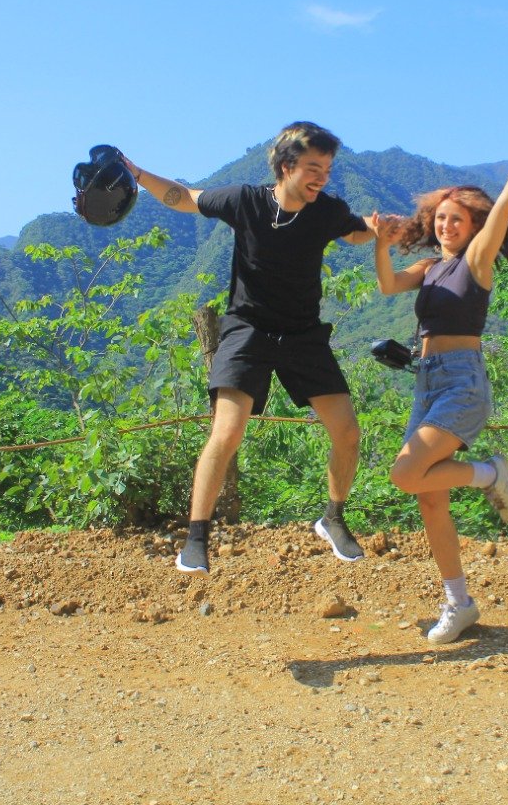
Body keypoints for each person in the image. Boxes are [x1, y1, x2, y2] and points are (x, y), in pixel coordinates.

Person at [120, 122, 380, 575]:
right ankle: (196, 538)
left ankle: (332, 517)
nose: (323, 177)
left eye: (328, 169)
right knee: (228, 431)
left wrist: (375, 230)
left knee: (348, 432)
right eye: (314, 168)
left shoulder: (326, 211)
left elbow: (354, 232)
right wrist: (139, 174)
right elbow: (185, 197)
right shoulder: (246, 200)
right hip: (248, 330)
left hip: (303, 334)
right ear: (286, 166)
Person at [370, 111, 508, 644]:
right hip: (426, 380)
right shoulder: (430, 268)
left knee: (406, 474)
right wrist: (381, 240)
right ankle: (460, 603)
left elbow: (504, 206)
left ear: (474, 227)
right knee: (429, 496)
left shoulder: (477, 261)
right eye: (440, 219)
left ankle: (488, 474)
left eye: (457, 219)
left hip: (461, 383)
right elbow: (388, 286)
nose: (445, 226)